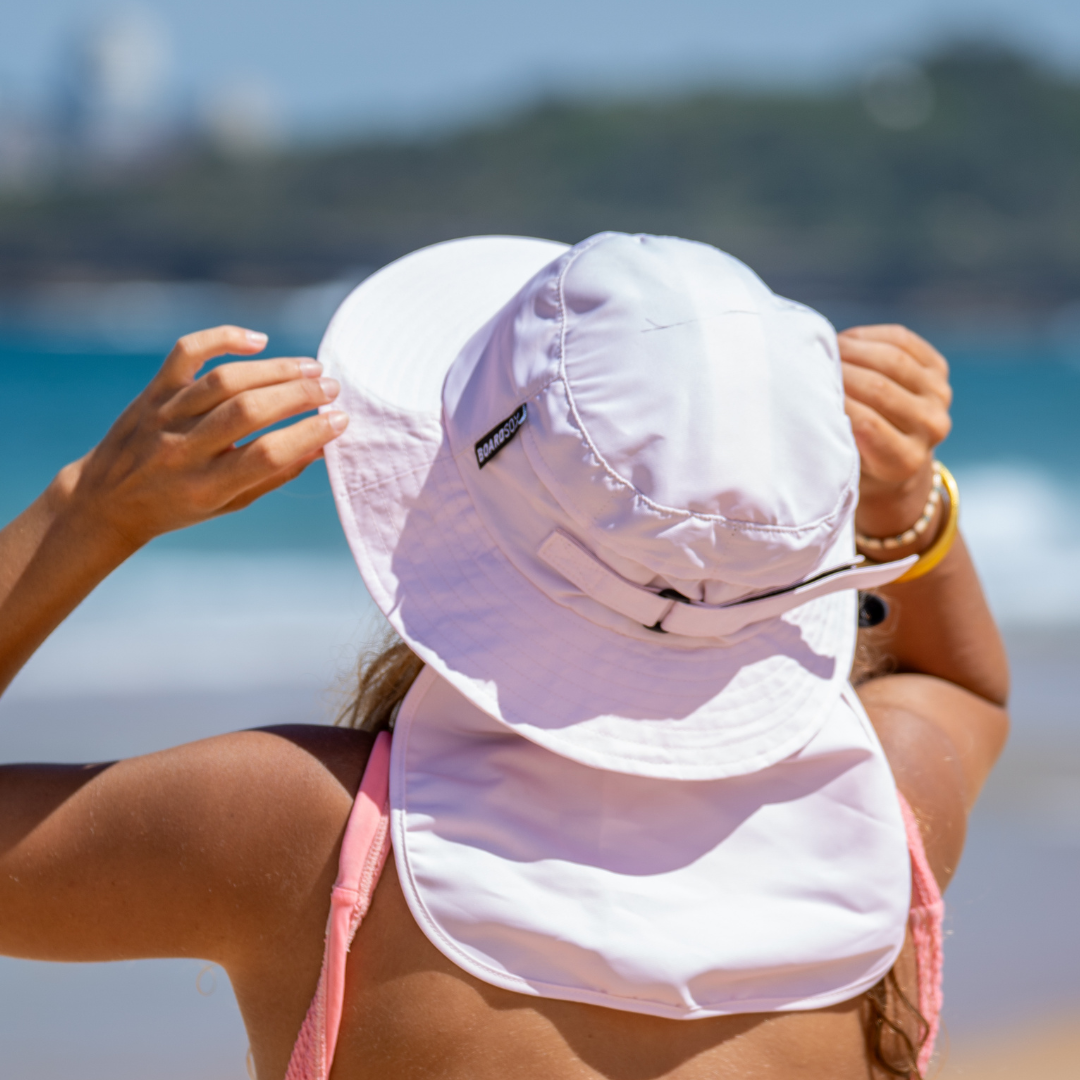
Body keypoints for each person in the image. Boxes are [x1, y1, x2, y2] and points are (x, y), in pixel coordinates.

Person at [0, 232, 1008, 1080]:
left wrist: (91, 512)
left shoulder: (307, 836)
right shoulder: (890, 812)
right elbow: (962, 685)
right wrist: (904, 504)